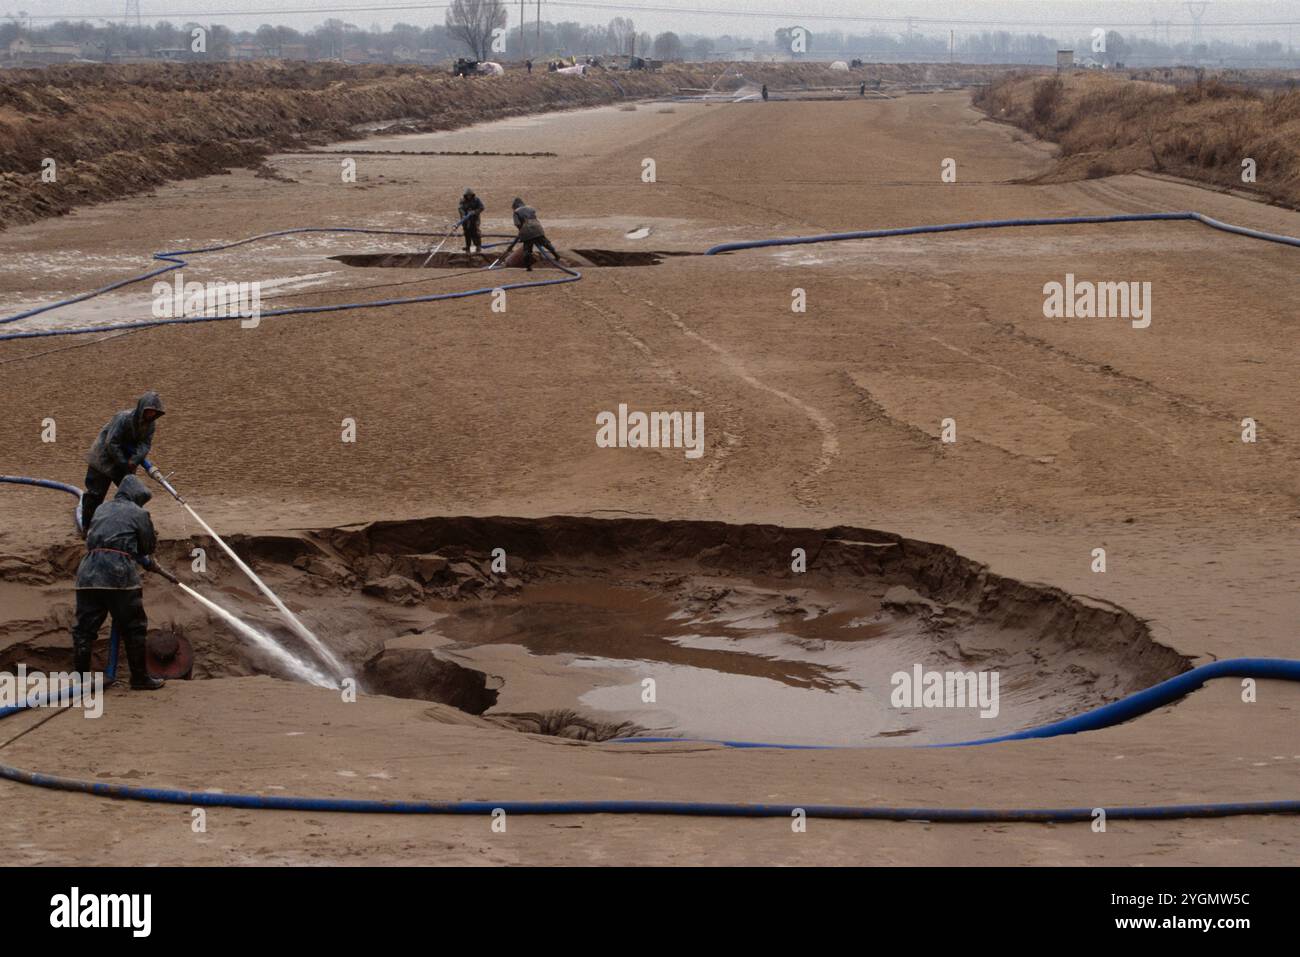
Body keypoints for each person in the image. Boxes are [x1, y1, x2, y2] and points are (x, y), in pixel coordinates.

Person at [71, 474, 172, 689]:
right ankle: (139, 679)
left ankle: (78, 681)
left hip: (87, 573)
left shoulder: (101, 509)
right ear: (137, 497)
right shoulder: (139, 513)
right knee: (134, 627)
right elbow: (147, 547)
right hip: (118, 575)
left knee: (84, 630)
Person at [81, 391, 164, 534]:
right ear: (141, 408)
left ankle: (138, 528)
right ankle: (87, 529)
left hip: (125, 462)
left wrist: (134, 460)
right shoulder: (123, 418)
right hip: (103, 460)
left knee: (133, 494)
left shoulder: (150, 425)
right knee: (95, 495)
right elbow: (111, 443)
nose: (150, 415)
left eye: (153, 412)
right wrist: (124, 462)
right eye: (149, 411)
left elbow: (145, 444)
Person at [506, 197, 558, 272]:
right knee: (546, 243)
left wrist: (521, 233)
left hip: (526, 231)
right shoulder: (530, 208)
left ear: (515, 206)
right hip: (538, 227)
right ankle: (556, 255)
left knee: (527, 250)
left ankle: (528, 267)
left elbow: (518, 224)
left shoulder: (516, 212)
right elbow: (534, 218)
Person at [458, 188, 484, 253]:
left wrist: (474, 212)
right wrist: (463, 214)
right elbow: (460, 208)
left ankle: (478, 246)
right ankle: (468, 246)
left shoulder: (477, 200)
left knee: (476, 233)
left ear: (472, 195)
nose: (469, 196)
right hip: (466, 220)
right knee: (467, 233)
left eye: (470, 195)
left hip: (474, 219)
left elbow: (482, 207)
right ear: (465, 195)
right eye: (467, 195)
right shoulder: (462, 200)